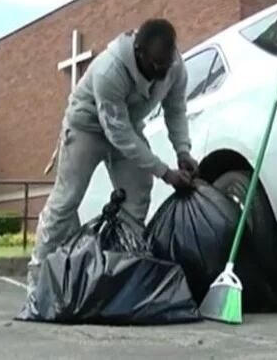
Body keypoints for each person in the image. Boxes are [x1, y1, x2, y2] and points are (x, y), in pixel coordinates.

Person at [26, 18, 198, 293]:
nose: (158, 73)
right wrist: (166, 172)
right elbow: (119, 134)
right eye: (153, 65)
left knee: (137, 193)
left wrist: (183, 150)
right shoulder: (110, 69)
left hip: (127, 126)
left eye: (163, 67)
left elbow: (175, 109)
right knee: (66, 200)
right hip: (87, 127)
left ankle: (120, 276)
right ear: (137, 50)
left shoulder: (174, 68)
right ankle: (37, 283)